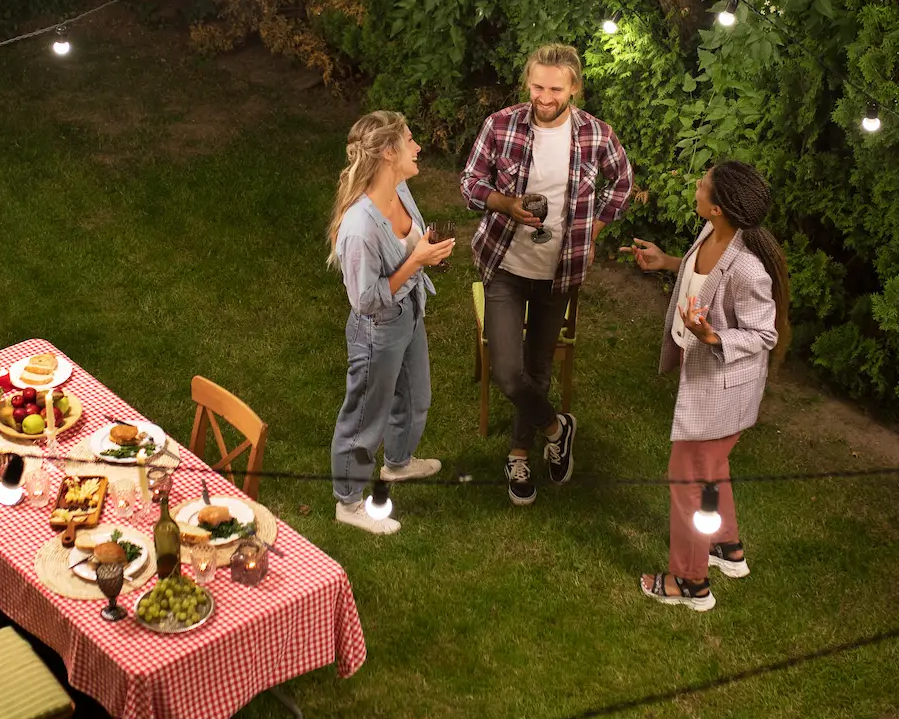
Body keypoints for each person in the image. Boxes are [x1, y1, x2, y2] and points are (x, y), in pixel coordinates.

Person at [460, 43, 633, 506]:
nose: (545, 96)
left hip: (561, 271)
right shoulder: (501, 124)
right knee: (510, 373)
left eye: (556, 88)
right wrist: (505, 204)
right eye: (537, 85)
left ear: (574, 87)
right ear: (527, 81)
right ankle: (558, 427)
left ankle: (520, 454)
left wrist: (594, 228)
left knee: (537, 367)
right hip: (505, 265)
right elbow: (470, 183)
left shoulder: (597, 136)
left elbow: (623, 182)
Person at [625, 159, 790, 611]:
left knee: (688, 483)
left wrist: (712, 336)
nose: (696, 187)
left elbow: (763, 334)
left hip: (721, 392)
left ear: (717, 207)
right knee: (711, 472)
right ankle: (726, 548)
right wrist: (666, 263)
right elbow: (702, 275)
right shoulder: (714, 235)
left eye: (702, 185)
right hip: (706, 382)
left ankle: (690, 582)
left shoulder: (749, 267)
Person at [328, 112, 456, 535]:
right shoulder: (359, 227)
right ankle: (348, 502)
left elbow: (411, 247)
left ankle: (398, 463)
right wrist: (418, 259)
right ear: (388, 153)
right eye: (410, 139)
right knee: (366, 415)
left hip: (409, 313)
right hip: (376, 330)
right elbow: (364, 300)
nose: (417, 147)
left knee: (416, 396)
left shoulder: (400, 188)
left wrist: (426, 252)